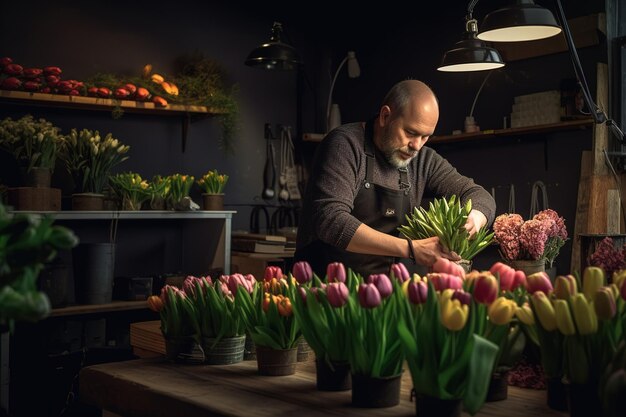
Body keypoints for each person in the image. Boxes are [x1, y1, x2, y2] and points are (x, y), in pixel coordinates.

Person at [294, 79, 496, 278]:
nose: (416, 145)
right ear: (385, 116)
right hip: (323, 290)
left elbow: (478, 195)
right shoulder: (345, 145)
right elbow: (331, 220)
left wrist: (475, 219)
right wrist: (411, 248)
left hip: (382, 295)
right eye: (410, 132)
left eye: (425, 137)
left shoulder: (422, 161)